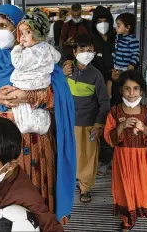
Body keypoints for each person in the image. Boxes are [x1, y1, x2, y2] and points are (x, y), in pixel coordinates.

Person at [0, 4, 76, 224]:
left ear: (19, 27)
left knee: (37, 194)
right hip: (3, 148)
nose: (0, 31)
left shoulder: (42, 58)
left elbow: (60, 98)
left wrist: (28, 97)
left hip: (37, 145)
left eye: (5, 25)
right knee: (6, 201)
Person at [104, 70, 147, 231]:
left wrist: (143, 128)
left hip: (140, 159)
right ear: (121, 90)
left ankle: (136, 212)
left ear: (141, 91)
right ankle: (127, 220)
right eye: (127, 88)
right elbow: (109, 137)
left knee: (139, 187)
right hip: (122, 158)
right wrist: (122, 126)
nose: (131, 93)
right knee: (124, 187)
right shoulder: (115, 112)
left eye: (135, 88)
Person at [62, 35, 110, 203]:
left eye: (89, 50)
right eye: (82, 50)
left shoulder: (96, 75)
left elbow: (104, 102)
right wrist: (62, 74)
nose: (86, 54)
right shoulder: (66, 70)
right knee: (72, 155)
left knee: (89, 157)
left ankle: (85, 188)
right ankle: (73, 180)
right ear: (74, 52)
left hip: (89, 124)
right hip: (68, 123)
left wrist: (98, 124)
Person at [11, 7, 61, 135]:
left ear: (38, 32)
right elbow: (57, 57)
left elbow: (18, 63)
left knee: (24, 112)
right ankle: (41, 125)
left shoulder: (29, 52)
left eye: (27, 32)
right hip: (42, 85)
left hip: (26, 86)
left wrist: (17, 49)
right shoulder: (48, 48)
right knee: (38, 112)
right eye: (21, 33)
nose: (23, 37)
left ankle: (27, 126)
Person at [91, 5, 117, 177]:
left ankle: (110, 158)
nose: (102, 24)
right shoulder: (92, 40)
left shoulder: (117, 38)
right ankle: (100, 159)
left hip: (117, 88)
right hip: (97, 91)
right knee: (100, 122)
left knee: (114, 122)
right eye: (98, 21)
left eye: (105, 21)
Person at [112, 12, 140, 106]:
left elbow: (136, 53)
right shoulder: (117, 37)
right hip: (117, 68)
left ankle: (127, 105)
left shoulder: (132, 40)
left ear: (127, 28)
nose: (116, 27)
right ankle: (118, 106)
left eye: (119, 25)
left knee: (125, 88)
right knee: (117, 89)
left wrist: (131, 64)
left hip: (125, 69)